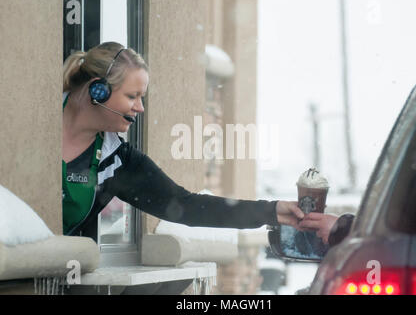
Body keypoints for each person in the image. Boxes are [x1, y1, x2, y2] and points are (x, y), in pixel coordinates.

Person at [62, 42, 304, 241]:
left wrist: (271, 211)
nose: (140, 107)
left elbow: (186, 206)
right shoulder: (37, 122)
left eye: (141, 97)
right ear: (98, 91)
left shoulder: (117, 161)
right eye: (132, 96)